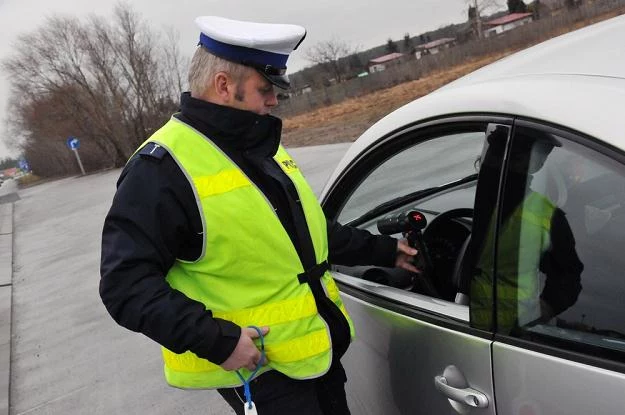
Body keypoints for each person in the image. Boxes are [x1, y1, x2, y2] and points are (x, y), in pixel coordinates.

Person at [99, 16, 418, 415]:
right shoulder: (161, 168)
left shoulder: (258, 144)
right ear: (223, 85)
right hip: (263, 375)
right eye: (265, 89)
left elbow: (306, 236)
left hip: (316, 359)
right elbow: (125, 285)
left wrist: (388, 252)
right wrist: (219, 341)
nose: (274, 101)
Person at [469, 125, 583, 333]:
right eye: (542, 153)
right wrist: (546, 307)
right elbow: (569, 276)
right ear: (532, 163)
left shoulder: (479, 200)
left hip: (495, 332)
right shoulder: (547, 216)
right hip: (518, 333)